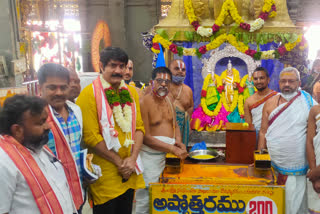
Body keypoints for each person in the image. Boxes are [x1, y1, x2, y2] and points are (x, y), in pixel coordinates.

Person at [76, 47, 145, 214]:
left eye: (122, 66)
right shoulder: (88, 95)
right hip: (105, 175)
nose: (118, 71)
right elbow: (91, 137)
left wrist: (132, 159)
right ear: (101, 66)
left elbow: (139, 128)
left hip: (129, 170)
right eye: (113, 65)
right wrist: (120, 163)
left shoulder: (131, 93)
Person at [0, 95, 76, 213]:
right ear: (17, 130)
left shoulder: (35, 145)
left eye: (46, 120)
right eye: (41, 123)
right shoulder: (3, 162)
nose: (48, 126)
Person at [258, 67, 316, 214]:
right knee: (277, 202)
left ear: (299, 82)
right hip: (275, 164)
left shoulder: (308, 101)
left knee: (297, 203)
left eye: (291, 81)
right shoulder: (270, 103)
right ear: (279, 83)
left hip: (300, 164)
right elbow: (263, 131)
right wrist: (260, 155)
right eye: (283, 81)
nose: (287, 84)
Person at [135, 66, 188, 214]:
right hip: (150, 159)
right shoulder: (144, 102)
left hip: (168, 158)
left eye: (167, 81)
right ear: (152, 82)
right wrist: (172, 148)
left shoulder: (169, 101)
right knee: (145, 199)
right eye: (159, 81)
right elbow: (145, 137)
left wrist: (178, 141)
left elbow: (175, 125)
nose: (164, 84)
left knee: (165, 199)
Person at [37, 63, 84, 212]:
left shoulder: (75, 110)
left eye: (63, 87)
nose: (58, 92)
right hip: (50, 197)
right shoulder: (35, 117)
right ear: (40, 88)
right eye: (52, 87)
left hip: (78, 193)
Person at [244, 67, 277, 143]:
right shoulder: (249, 101)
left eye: (261, 78)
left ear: (268, 80)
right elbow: (249, 126)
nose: (258, 81)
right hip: (256, 138)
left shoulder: (276, 97)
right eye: (255, 79)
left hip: (273, 138)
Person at [169, 59, 194, 147]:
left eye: (183, 70)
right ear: (169, 70)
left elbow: (190, 107)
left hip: (182, 130)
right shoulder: (163, 87)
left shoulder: (188, 90)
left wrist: (188, 123)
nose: (180, 71)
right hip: (166, 130)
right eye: (176, 69)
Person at [306, 104, 320, 213]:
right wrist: (315, 178)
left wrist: (317, 172)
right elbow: (310, 142)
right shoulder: (315, 110)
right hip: (316, 178)